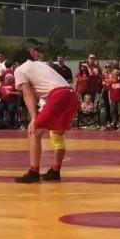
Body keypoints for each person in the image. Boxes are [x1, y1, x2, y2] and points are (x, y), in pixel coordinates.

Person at [14, 43, 78, 183]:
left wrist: (33, 117)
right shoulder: (41, 65)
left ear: (16, 63)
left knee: (33, 131)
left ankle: (34, 172)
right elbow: (41, 91)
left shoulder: (20, 69)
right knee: (57, 134)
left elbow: (27, 94)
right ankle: (55, 171)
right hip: (71, 95)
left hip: (58, 96)